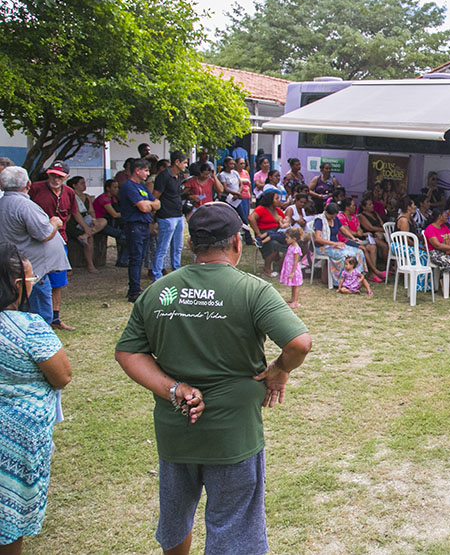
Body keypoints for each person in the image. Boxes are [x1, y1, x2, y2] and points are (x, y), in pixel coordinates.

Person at [114, 203, 311, 555]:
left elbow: (128, 352)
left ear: (191, 243)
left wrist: (172, 388)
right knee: (234, 525)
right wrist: (280, 369)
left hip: (176, 431)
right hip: (233, 435)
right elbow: (299, 343)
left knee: (175, 516)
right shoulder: (252, 290)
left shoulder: (160, 290)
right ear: (237, 242)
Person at [0, 243, 72, 552]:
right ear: (17, 286)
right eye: (32, 279)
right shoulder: (29, 327)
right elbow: (62, 376)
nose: (35, 284)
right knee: (9, 513)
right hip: (18, 437)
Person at [0, 168, 69, 326]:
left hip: (18, 263)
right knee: (40, 312)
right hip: (33, 267)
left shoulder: (4, 202)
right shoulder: (24, 205)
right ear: (28, 184)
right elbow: (43, 234)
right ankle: (41, 338)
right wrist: (54, 223)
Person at [28, 162, 80, 331]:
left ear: (66, 177)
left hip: (59, 240)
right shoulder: (35, 188)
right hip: (37, 240)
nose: (55, 179)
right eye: (52, 175)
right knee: (34, 278)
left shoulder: (69, 192)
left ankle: (55, 317)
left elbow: (71, 214)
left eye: (59, 176)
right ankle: (32, 316)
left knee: (57, 281)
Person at [120, 159, 161, 302]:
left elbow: (157, 203)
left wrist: (148, 204)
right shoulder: (129, 186)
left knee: (141, 257)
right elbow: (144, 208)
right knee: (136, 258)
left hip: (144, 226)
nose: (147, 173)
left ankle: (136, 287)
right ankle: (134, 290)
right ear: (137, 171)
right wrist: (148, 205)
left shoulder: (142, 187)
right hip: (134, 226)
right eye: (146, 170)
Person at [312, 203, 371, 287]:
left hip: (335, 246)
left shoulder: (335, 218)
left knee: (359, 251)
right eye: (331, 216)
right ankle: (341, 281)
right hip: (323, 247)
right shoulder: (319, 220)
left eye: (334, 216)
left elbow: (342, 228)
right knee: (345, 254)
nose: (333, 218)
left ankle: (356, 278)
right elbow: (318, 238)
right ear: (326, 212)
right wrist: (334, 243)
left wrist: (352, 237)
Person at [152, 151, 187, 281]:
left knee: (177, 247)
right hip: (167, 216)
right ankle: (157, 275)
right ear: (176, 162)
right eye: (184, 162)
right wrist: (154, 214)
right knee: (163, 247)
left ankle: (176, 271)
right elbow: (156, 196)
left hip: (178, 215)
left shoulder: (178, 177)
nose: (185, 165)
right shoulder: (164, 176)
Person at [66, 175, 108, 274]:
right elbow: (75, 213)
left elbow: (91, 211)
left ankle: (86, 235)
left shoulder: (87, 197)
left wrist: (93, 219)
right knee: (90, 239)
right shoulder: (71, 196)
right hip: (73, 223)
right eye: (81, 183)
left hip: (86, 219)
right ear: (74, 185)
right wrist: (86, 228)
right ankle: (90, 265)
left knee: (103, 221)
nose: (84, 185)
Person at [338, 198, 384, 282]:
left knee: (372, 247)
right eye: (353, 205)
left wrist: (360, 232)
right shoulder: (341, 217)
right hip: (346, 240)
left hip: (357, 239)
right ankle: (375, 271)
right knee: (364, 248)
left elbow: (359, 229)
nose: (355, 207)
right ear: (347, 207)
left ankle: (372, 274)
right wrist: (359, 234)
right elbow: (346, 231)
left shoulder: (354, 216)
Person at [393, 196, 432, 292]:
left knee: (428, 252)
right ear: (408, 207)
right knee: (422, 254)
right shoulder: (404, 220)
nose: (415, 207)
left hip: (408, 244)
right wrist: (419, 247)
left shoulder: (410, 218)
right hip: (400, 246)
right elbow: (405, 240)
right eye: (414, 204)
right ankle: (418, 284)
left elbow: (413, 235)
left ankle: (424, 284)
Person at [249, 191, 288, 278]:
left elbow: (285, 221)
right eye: (276, 198)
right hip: (263, 234)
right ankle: (267, 269)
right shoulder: (261, 209)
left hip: (276, 233)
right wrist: (258, 233)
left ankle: (280, 263)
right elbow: (251, 218)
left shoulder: (278, 211)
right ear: (270, 200)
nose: (279, 200)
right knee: (274, 244)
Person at [358, 196, 390, 264]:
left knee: (390, 243)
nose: (372, 205)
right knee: (385, 246)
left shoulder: (375, 213)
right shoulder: (361, 216)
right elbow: (370, 228)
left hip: (381, 232)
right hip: (371, 235)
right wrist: (382, 230)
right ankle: (388, 265)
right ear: (364, 207)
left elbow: (382, 223)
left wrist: (384, 230)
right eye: (369, 204)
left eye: (372, 204)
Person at [279, 226, 305, 308]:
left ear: (294, 239)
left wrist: (293, 272)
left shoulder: (296, 249)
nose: (286, 239)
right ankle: (292, 298)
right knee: (293, 285)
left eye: (287, 238)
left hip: (294, 270)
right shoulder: (291, 246)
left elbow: (296, 262)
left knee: (296, 285)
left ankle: (295, 301)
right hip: (290, 268)